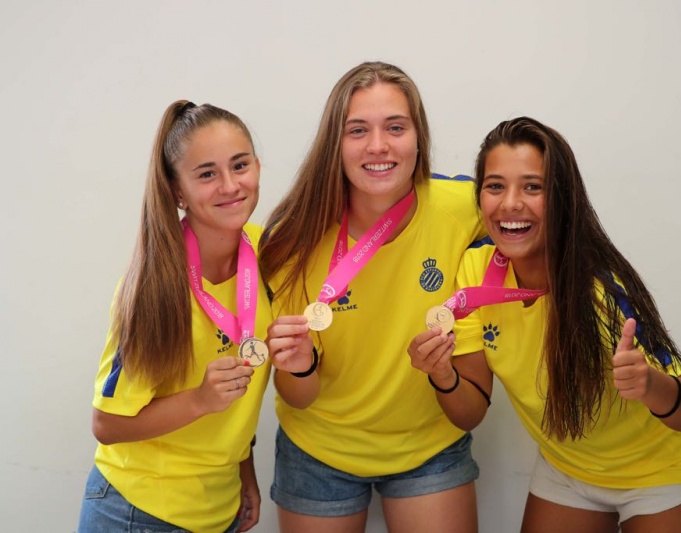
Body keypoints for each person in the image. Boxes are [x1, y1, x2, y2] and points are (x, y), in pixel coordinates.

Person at [408, 117, 681, 533]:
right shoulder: (474, 272)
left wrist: (649, 386)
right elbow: (470, 414)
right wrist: (442, 375)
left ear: (562, 197)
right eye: (495, 186)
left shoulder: (603, 289)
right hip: (568, 470)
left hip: (660, 472)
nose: (511, 203)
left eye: (532, 187)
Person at [259, 61, 485, 532]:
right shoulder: (293, 238)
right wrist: (297, 364)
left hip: (430, 447)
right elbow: (298, 396)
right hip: (319, 452)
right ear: (333, 145)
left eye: (395, 127)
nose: (378, 146)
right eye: (357, 130)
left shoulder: (463, 208)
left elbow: (537, 229)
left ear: (418, 136)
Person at [78, 100, 272, 533]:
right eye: (206, 174)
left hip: (220, 508)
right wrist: (200, 399)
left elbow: (239, 393)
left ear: (258, 166)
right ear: (178, 190)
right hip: (139, 512)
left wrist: (245, 473)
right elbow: (106, 423)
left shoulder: (268, 255)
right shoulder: (153, 285)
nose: (229, 185)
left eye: (239, 165)